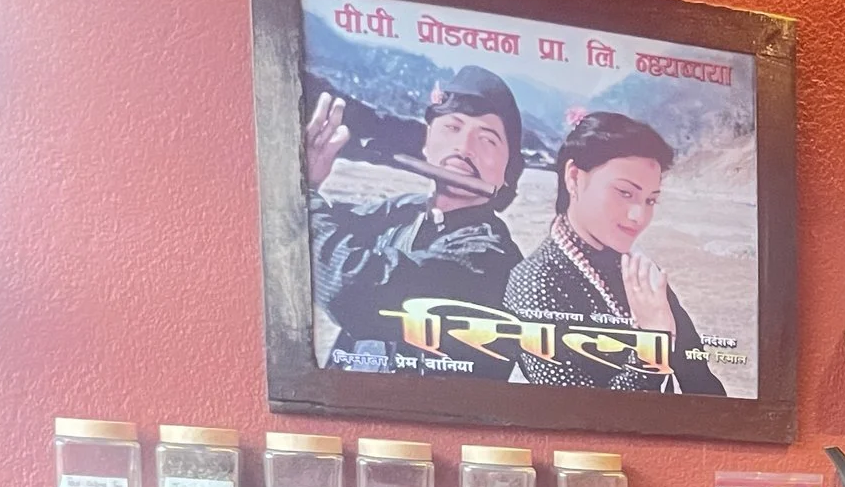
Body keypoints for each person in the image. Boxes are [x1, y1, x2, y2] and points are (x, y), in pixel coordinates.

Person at [304, 65, 525, 377]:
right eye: (452, 128)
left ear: (508, 170)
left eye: (487, 140)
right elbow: (322, 227)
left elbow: (351, 287)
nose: (464, 148)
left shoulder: (490, 257)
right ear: (427, 143)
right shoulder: (406, 211)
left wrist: (303, 196)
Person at [501, 112, 726, 395]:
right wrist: (651, 342)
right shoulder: (532, 282)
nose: (639, 216)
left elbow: (703, 385)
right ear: (574, 178)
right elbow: (575, 416)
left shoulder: (642, 274)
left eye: (651, 200)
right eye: (625, 193)